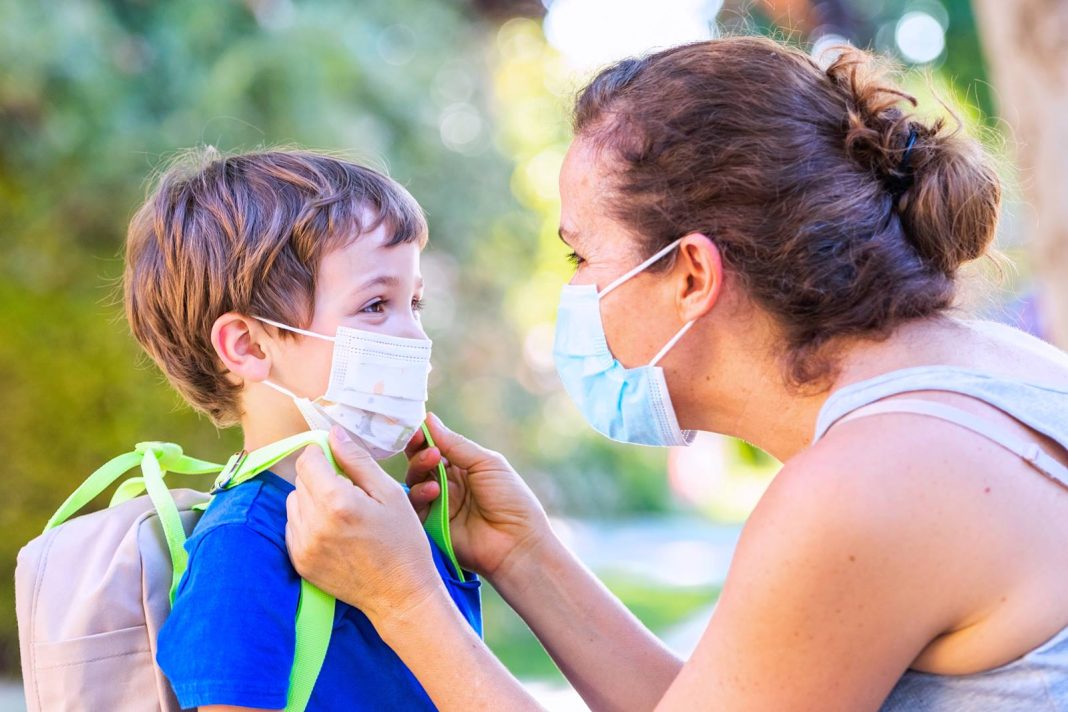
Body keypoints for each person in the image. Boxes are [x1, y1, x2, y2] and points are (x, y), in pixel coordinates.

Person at [283, 37, 1068, 711]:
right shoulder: (992, 375)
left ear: (692, 274)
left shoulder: (866, 485)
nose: (573, 290)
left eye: (580, 255)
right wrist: (526, 557)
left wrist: (405, 600)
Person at [123, 149, 481, 711]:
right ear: (249, 346)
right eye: (376, 305)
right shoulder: (242, 544)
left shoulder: (397, 520)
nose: (415, 336)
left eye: (414, 303)